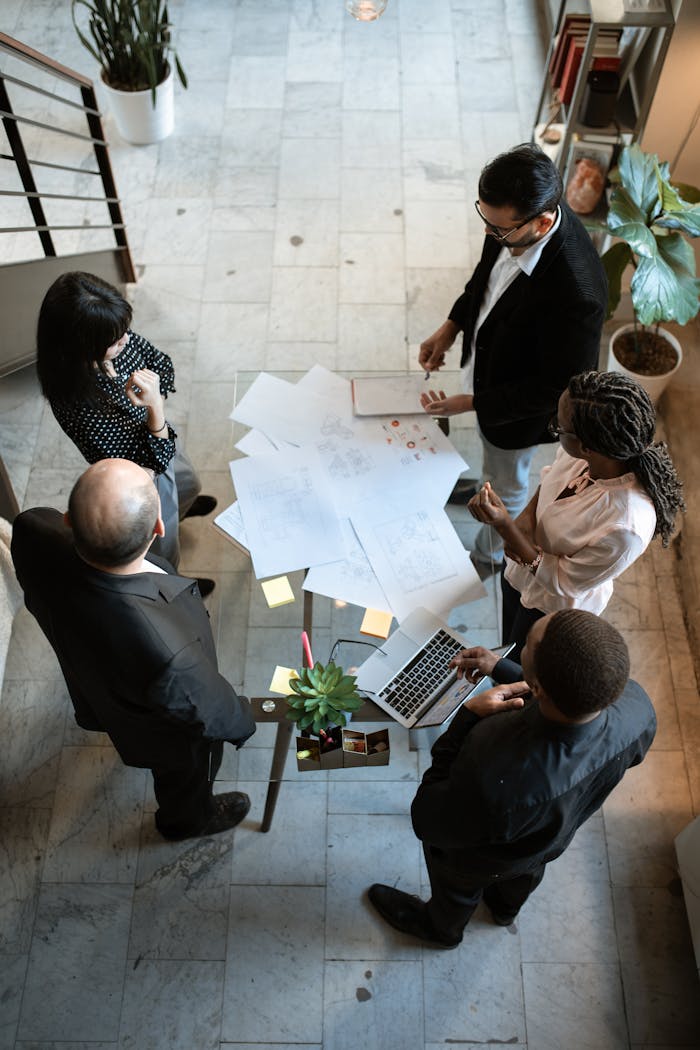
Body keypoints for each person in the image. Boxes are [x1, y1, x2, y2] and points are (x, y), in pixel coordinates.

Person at [367, 609, 656, 948]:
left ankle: (442, 930)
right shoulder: (638, 709)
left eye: (528, 646)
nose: (522, 648)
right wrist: (500, 668)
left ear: (537, 687)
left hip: (479, 859)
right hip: (548, 842)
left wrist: (466, 717)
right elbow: (571, 699)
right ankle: (504, 911)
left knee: (457, 888)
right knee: (522, 877)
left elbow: (427, 818)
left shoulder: (496, 771)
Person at [11, 458, 256, 841]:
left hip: (94, 676)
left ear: (67, 520)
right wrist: (243, 719)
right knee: (186, 776)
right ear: (159, 528)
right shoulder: (171, 653)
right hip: (163, 732)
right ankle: (188, 821)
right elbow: (211, 712)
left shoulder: (31, 528)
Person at [418, 143, 607, 572]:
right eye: (484, 219)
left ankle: (487, 554)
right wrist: (451, 327)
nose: (489, 234)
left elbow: (554, 387)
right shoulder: (508, 224)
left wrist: (475, 403)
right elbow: (484, 282)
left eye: (498, 229)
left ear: (543, 222)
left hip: (516, 414)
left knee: (507, 479)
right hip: (491, 363)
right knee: (489, 466)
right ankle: (476, 490)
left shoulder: (578, 295)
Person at [468, 370, 684, 659]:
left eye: (559, 427)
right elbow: (550, 479)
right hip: (521, 574)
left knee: (520, 665)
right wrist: (526, 519)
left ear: (587, 445)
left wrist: (505, 526)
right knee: (507, 637)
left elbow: (563, 581)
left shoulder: (626, 526)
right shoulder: (581, 455)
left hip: (550, 608)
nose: (554, 428)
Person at [36, 270, 216, 591]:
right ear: (82, 346)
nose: (127, 340)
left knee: (189, 485)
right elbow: (152, 463)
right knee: (163, 546)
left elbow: (162, 364)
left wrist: (154, 396)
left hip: (157, 440)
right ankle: (176, 584)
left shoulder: (118, 340)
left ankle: (182, 510)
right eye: (114, 339)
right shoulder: (77, 404)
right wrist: (155, 408)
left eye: (124, 331)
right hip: (140, 474)